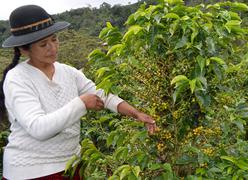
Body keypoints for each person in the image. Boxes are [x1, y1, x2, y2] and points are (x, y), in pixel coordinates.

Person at [0, 5, 157, 179]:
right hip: (31, 171)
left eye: (54, 39)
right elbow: (39, 128)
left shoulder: (68, 72)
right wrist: (81, 103)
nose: (52, 48)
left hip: (71, 165)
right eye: (43, 44)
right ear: (23, 50)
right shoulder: (18, 78)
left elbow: (103, 95)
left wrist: (136, 113)